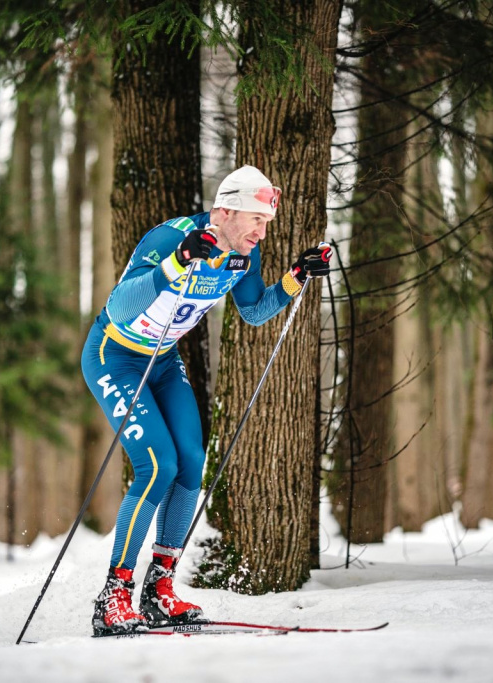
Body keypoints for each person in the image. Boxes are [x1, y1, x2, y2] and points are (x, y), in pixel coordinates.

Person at [80, 165, 332, 636]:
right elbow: (120, 304)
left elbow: (255, 311)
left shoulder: (242, 255)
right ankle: (113, 594)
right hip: (114, 356)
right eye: (255, 220)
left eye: (266, 223)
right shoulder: (171, 237)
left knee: (191, 461)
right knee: (157, 464)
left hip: (162, 360)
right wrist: (176, 263)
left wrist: (297, 276)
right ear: (224, 211)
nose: (261, 232)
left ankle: (159, 589)